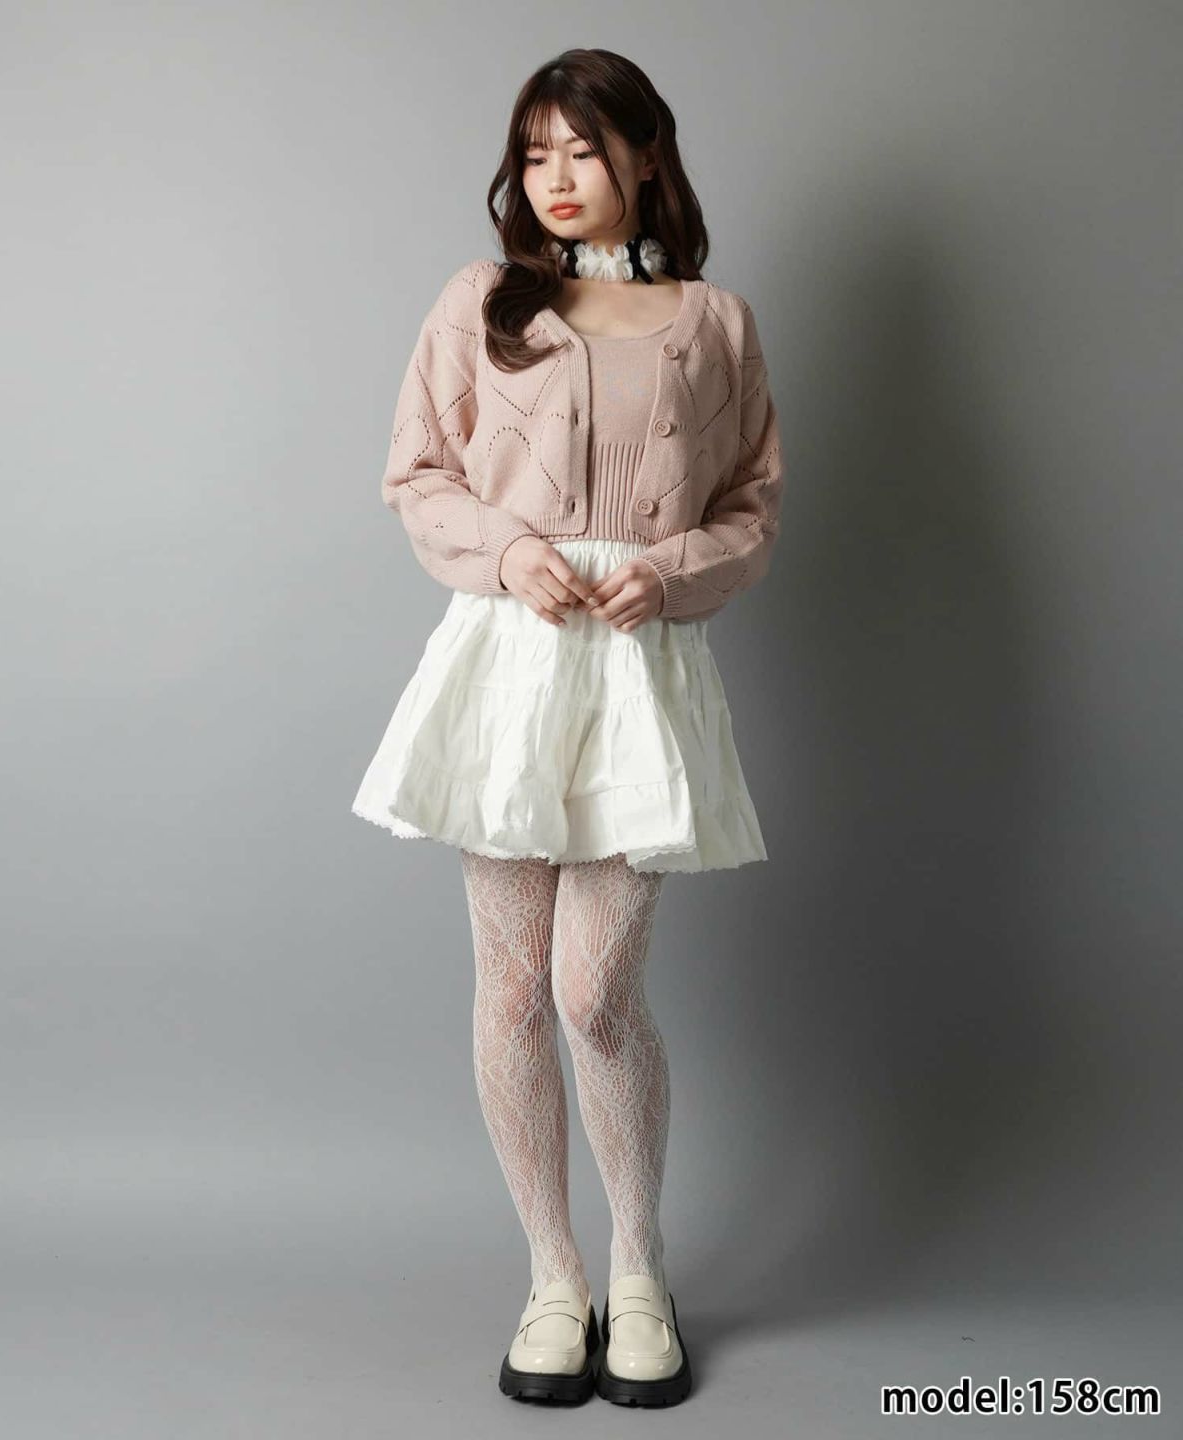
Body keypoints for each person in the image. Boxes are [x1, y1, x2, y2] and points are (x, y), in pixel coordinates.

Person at [351, 47, 784, 1409]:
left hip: (638, 672)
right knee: (511, 985)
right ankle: (555, 1276)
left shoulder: (715, 324)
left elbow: (752, 505)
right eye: (534, 152)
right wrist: (504, 549)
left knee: (595, 990)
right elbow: (418, 470)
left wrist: (676, 571)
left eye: (583, 149)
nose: (554, 176)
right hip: (510, 665)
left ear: (645, 157)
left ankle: (639, 1270)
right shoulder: (480, 304)